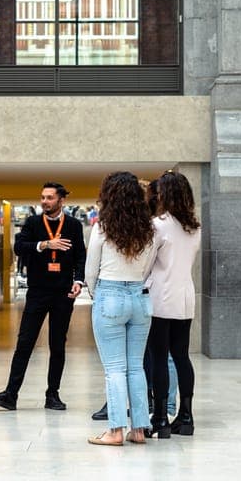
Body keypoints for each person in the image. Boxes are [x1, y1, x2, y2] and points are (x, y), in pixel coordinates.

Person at [0, 182, 86, 412]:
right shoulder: (32, 222)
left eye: (50, 198)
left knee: (57, 345)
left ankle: (53, 394)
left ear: (61, 200)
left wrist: (78, 281)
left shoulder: (72, 225)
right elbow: (19, 247)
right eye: (42, 197)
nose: (44, 201)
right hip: (37, 291)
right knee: (24, 343)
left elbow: (81, 255)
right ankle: (10, 394)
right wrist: (45, 244)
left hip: (63, 293)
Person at [85, 172, 157, 446]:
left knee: (114, 368)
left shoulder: (102, 227)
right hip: (139, 296)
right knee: (136, 367)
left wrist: (97, 293)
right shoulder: (148, 229)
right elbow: (148, 266)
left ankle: (115, 430)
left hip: (110, 293)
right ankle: (138, 429)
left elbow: (91, 269)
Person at [146, 171, 202, 438]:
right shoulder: (194, 226)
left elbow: (147, 264)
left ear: (164, 194)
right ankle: (186, 416)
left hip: (160, 298)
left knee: (159, 357)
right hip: (185, 297)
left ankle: (159, 418)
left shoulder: (158, 225)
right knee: (181, 356)